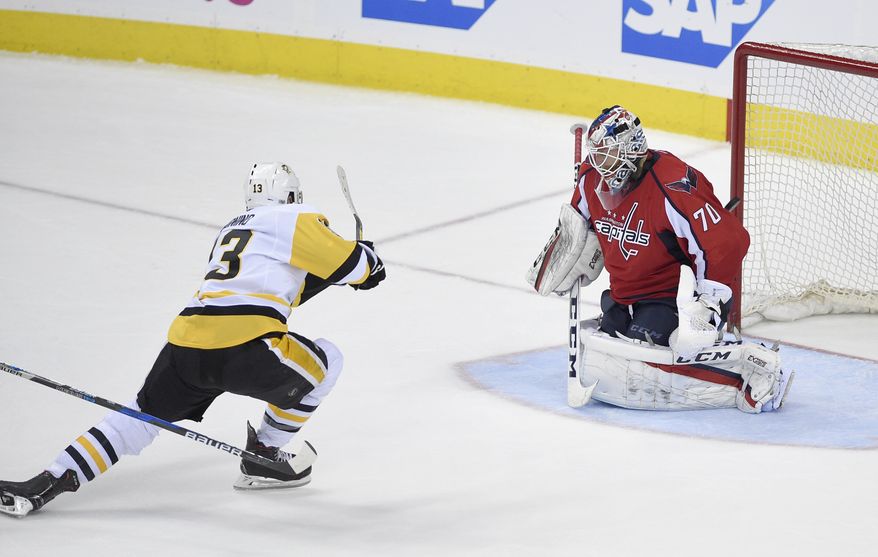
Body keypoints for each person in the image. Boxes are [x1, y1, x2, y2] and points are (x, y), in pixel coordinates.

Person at [0, 162, 386, 517]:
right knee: (328, 361)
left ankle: (48, 482)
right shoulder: (295, 217)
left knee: (137, 418)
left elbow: (286, 287)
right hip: (247, 348)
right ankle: (264, 455)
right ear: (290, 196)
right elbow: (355, 266)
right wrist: (367, 262)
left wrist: (346, 271)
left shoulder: (234, 229)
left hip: (186, 347)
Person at [527, 105, 792, 413]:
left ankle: (754, 365)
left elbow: (728, 242)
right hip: (622, 295)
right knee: (608, 358)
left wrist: (709, 303)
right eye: (596, 156)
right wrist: (566, 255)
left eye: (607, 156)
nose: (599, 165)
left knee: (643, 366)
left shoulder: (673, 185)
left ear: (632, 149)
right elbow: (577, 229)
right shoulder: (590, 179)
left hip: (669, 297)